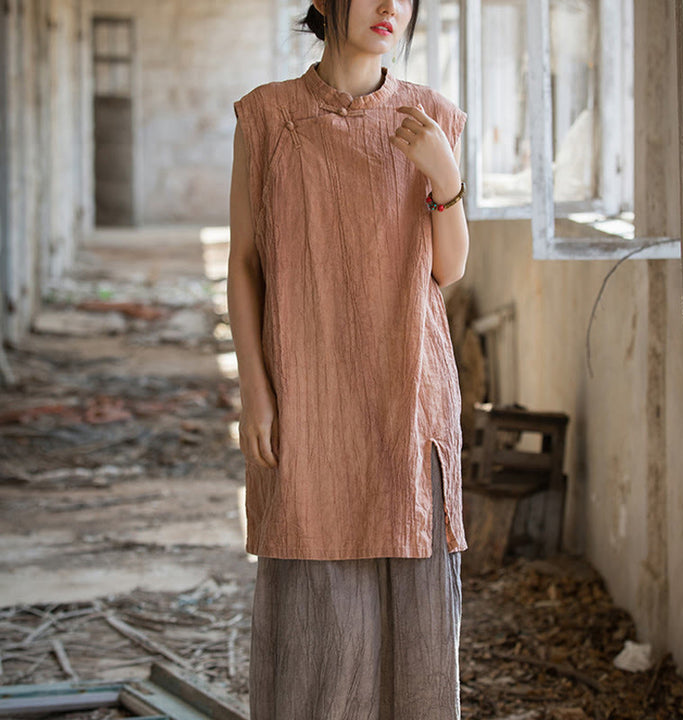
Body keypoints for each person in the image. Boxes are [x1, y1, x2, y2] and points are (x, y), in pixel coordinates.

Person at [228, 0, 469, 717]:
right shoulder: (267, 117)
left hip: (408, 398)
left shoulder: (432, 117)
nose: (391, 7)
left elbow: (448, 271)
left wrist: (444, 177)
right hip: (309, 394)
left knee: (416, 639)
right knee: (317, 638)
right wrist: (257, 394)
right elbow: (243, 263)